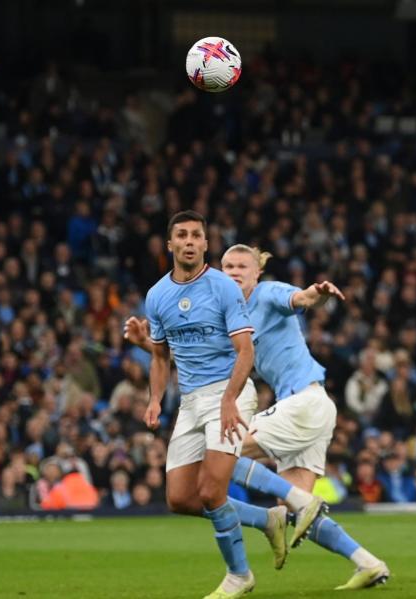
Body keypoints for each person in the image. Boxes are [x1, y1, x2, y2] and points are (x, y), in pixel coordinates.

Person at [127, 243, 389, 590]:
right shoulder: (225, 314)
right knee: (297, 511)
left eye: (242, 267)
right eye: (228, 266)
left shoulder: (267, 294)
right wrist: (149, 346)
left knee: (217, 458)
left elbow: (299, 299)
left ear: (257, 273)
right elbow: (200, 362)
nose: (234, 272)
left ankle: (274, 522)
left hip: (304, 403)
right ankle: (368, 563)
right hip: (306, 409)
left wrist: (317, 295)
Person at [142, 211, 264, 599]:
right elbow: (160, 356)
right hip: (192, 400)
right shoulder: (157, 295)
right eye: (182, 235)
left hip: (231, 391)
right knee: (180, 498)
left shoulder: (222, 288)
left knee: (212, 491)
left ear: (206, 244)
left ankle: (239, 575)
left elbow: (246, 351)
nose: (190, 241)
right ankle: (269, 519)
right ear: (171, 245)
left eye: (197, 235)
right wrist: (155, 399)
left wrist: (230, 399)